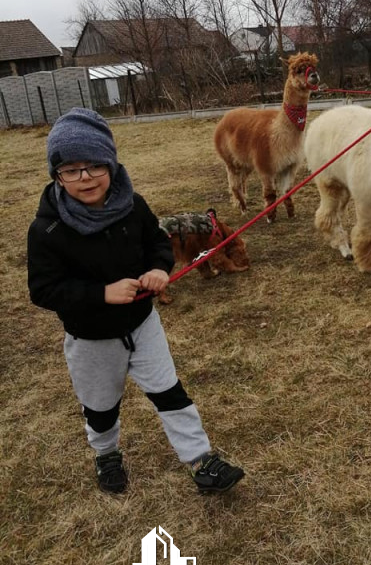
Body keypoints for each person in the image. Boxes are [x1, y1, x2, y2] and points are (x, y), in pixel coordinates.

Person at [27, 107, 244, 495]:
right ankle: (106, 454)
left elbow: (158, 244)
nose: (85, 177)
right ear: (57, 175)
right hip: (91, 340)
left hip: (143, 326)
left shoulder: (133, 205)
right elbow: (43, 289)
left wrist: (159, 269)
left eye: (95, 166)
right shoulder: (47, 229)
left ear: (110, 164)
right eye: (71, 169)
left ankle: (200, 460)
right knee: (102, 408)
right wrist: (101, 294)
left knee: (169, 392)